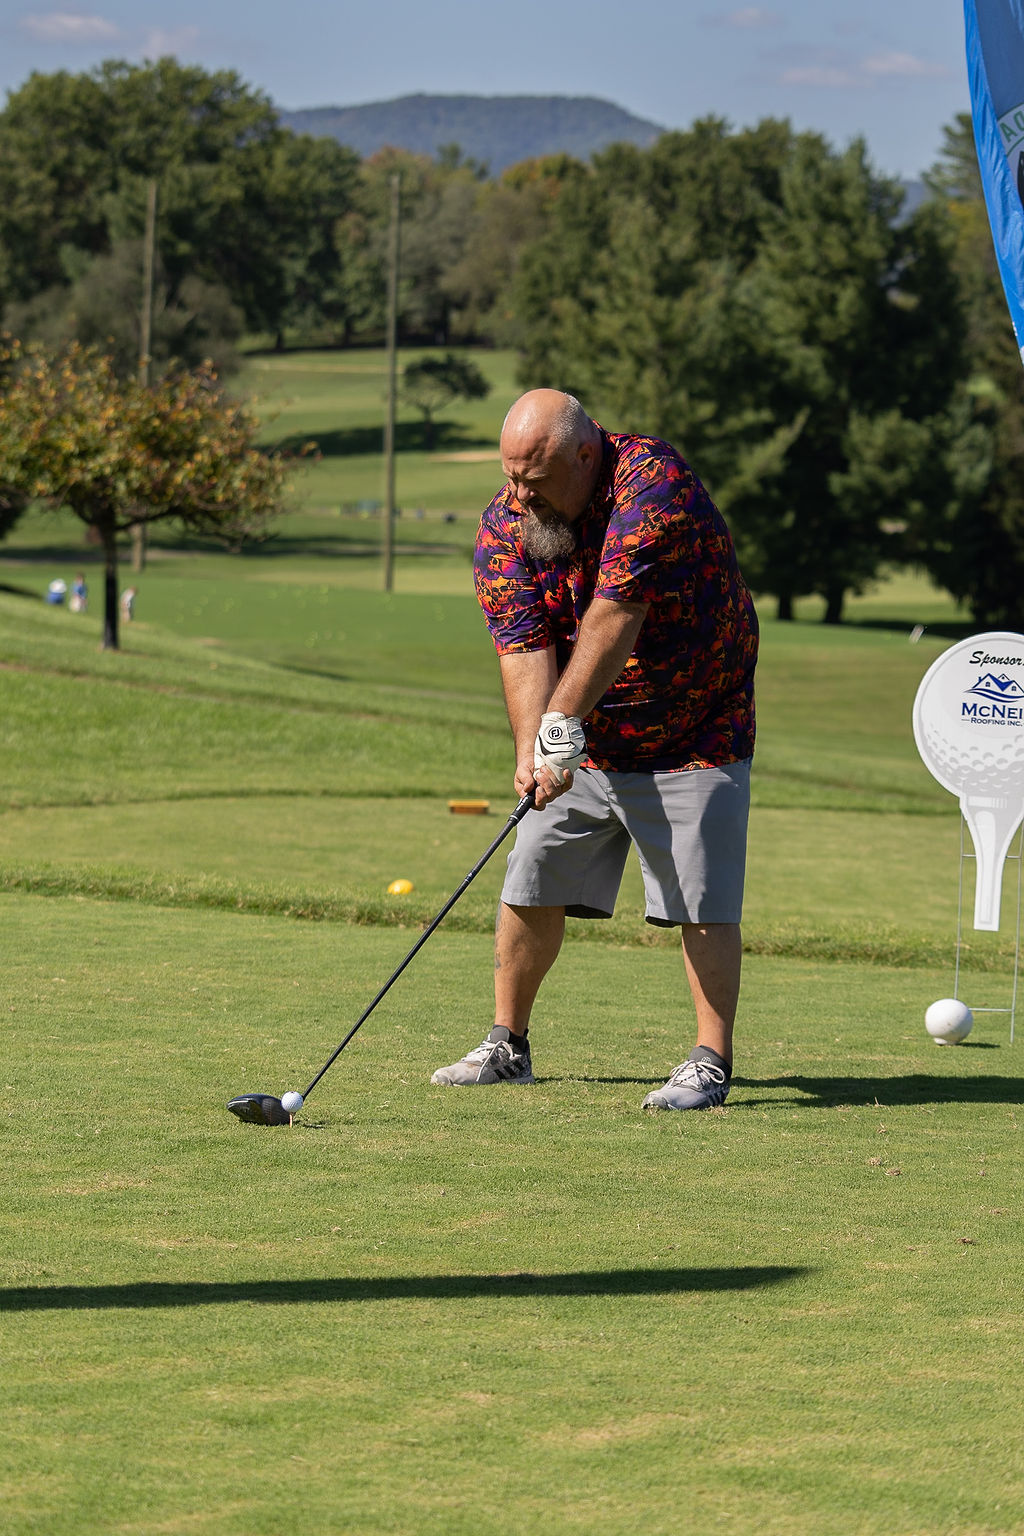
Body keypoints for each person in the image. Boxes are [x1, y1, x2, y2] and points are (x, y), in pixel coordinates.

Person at [431, 390, 758, 1110]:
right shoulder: (505, 525)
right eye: (511, 477)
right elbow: (523, 646)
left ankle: (710, 1062)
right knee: (533, 872)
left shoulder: (653, 483)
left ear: (586, 455)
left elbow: (614, 615)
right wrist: (534, 752)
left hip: (696, 728)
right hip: (584, 736)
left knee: (699, 896)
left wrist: (558, 729)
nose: (520, 496)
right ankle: (507, 1046)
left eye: (535, 480)